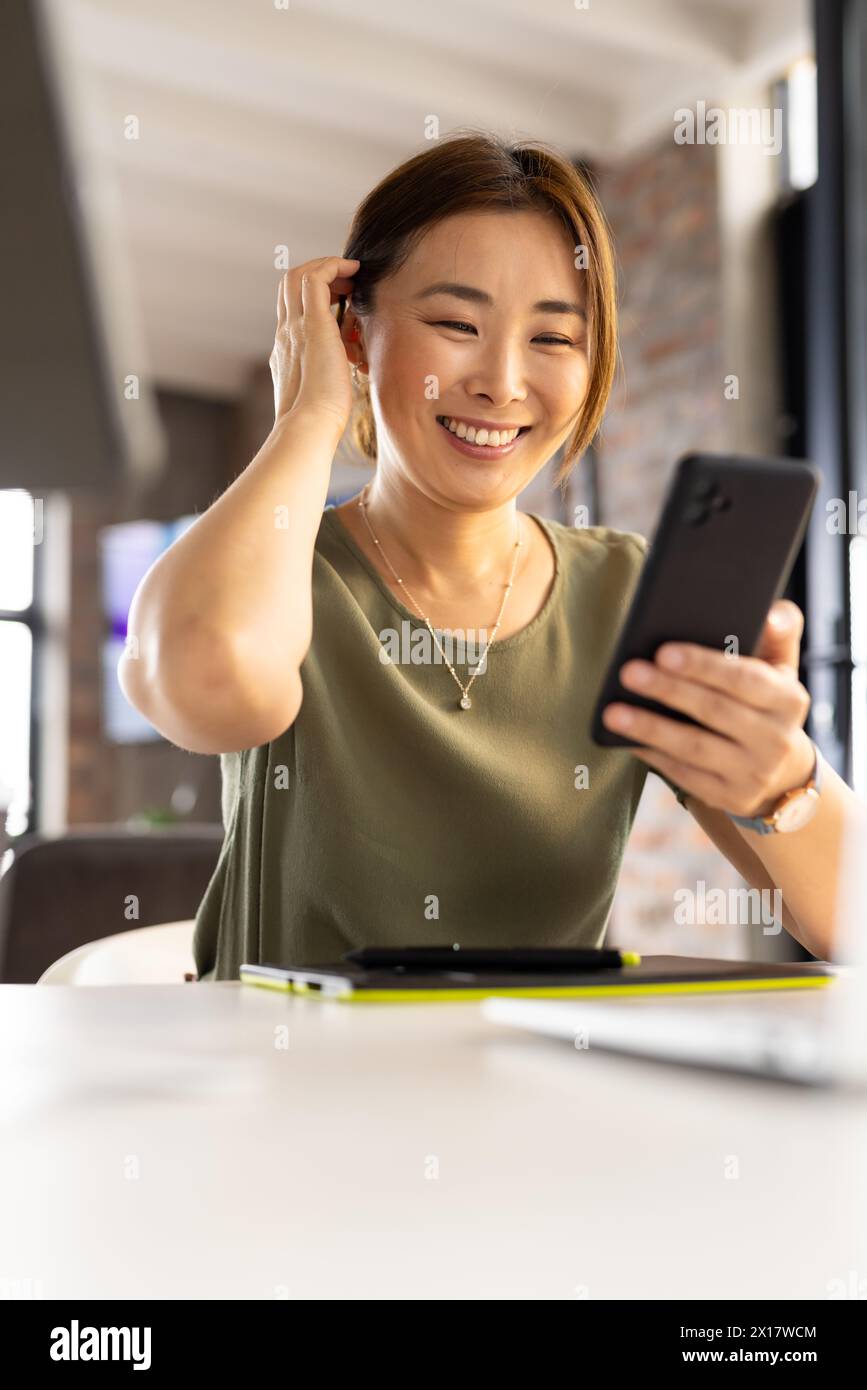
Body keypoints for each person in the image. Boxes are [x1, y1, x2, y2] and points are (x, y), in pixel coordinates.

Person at [119, 132, 851, 980]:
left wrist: (780, 781)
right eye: (455, 324)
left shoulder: (622, 593)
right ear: (353, 334)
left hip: (537, 1062)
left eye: (552, 339)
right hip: (288, 1063)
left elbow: (851, 927)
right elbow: (205, 685)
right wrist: (307, 416)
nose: (501, 382)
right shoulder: (279, 572)